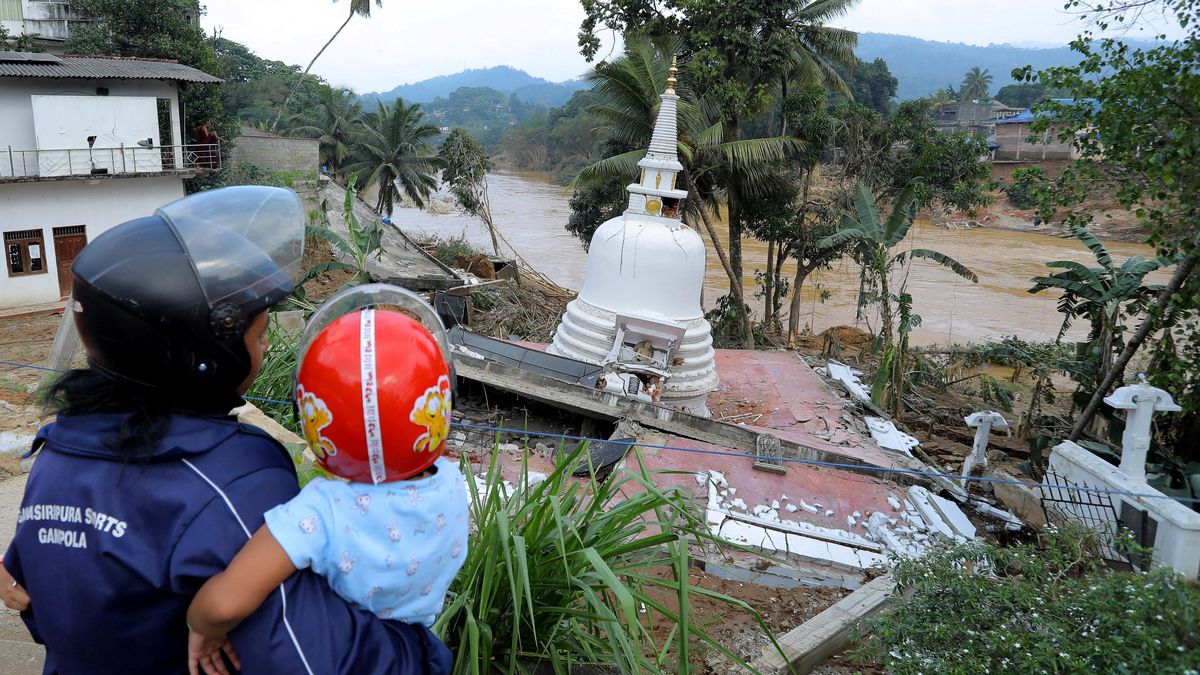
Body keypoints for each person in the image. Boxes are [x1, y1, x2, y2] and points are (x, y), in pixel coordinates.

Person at [0, 186, 452, 674]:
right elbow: (308, 659)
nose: (264, 348)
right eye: (258, 337)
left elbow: (35, 602)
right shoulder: (234, 477)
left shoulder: (56, 454)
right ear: (202, 359)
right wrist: (422, 653)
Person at [187, 293, 469, 675]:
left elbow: (224, 605)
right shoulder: (452, 483)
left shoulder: (323, 510)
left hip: (335, 654)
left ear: (311, 419)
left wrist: (200, 625)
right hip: (415, 651)